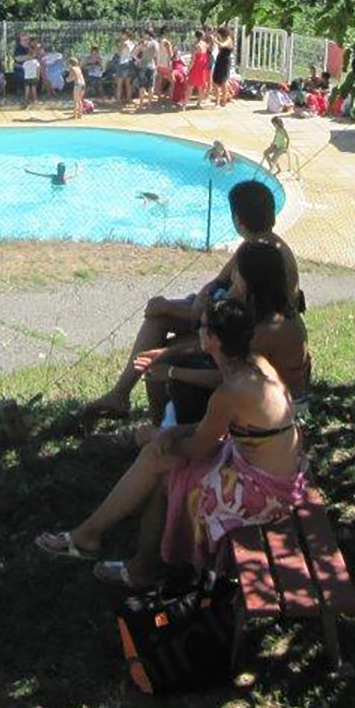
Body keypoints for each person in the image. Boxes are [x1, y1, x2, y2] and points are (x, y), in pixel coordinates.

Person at [36, 297, 306, 587]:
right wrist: (170, 434)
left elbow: (197, 449)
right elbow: (216, 430)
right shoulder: (255, 364)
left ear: (211, 338)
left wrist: (157, 436)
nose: (196, 331)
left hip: (265, 494)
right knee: (159, 456)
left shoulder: (229, 393)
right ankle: (93, 536)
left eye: (200, 327)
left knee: (166, 476)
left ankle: (134, 564)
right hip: (273, 471)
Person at [84, 179, 301, 419]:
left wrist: (174, 310)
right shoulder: (260, 245)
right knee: (158, 320)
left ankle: (156, 428)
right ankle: (121, 397)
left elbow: (224, 318)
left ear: (237, 220)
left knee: (159, 337)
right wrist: (202, 296)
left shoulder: (260, 259)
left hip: (237, 336)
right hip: (231, 327)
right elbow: (219, 282)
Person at [146, 238, 312, 424]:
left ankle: (173, 437)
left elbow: (229, 378)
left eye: (237, 272)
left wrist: (171, 372)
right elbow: (223, 345)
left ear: (251, 280)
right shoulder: (265, 307)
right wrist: (168, 352)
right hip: (262, 391)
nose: (233, 277)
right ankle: (161, 428)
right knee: (166, 360)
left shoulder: (270, 328)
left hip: (282, 411)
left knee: (183, 384)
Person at [211, 26, 235, 105]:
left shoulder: (229, 39)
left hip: (225, 61)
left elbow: (222, 45)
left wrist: (215, 40)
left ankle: (223, 100)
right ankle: (217, 100)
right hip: (219, 60)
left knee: (223, 81)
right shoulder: (222, 38)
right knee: (215, 80)